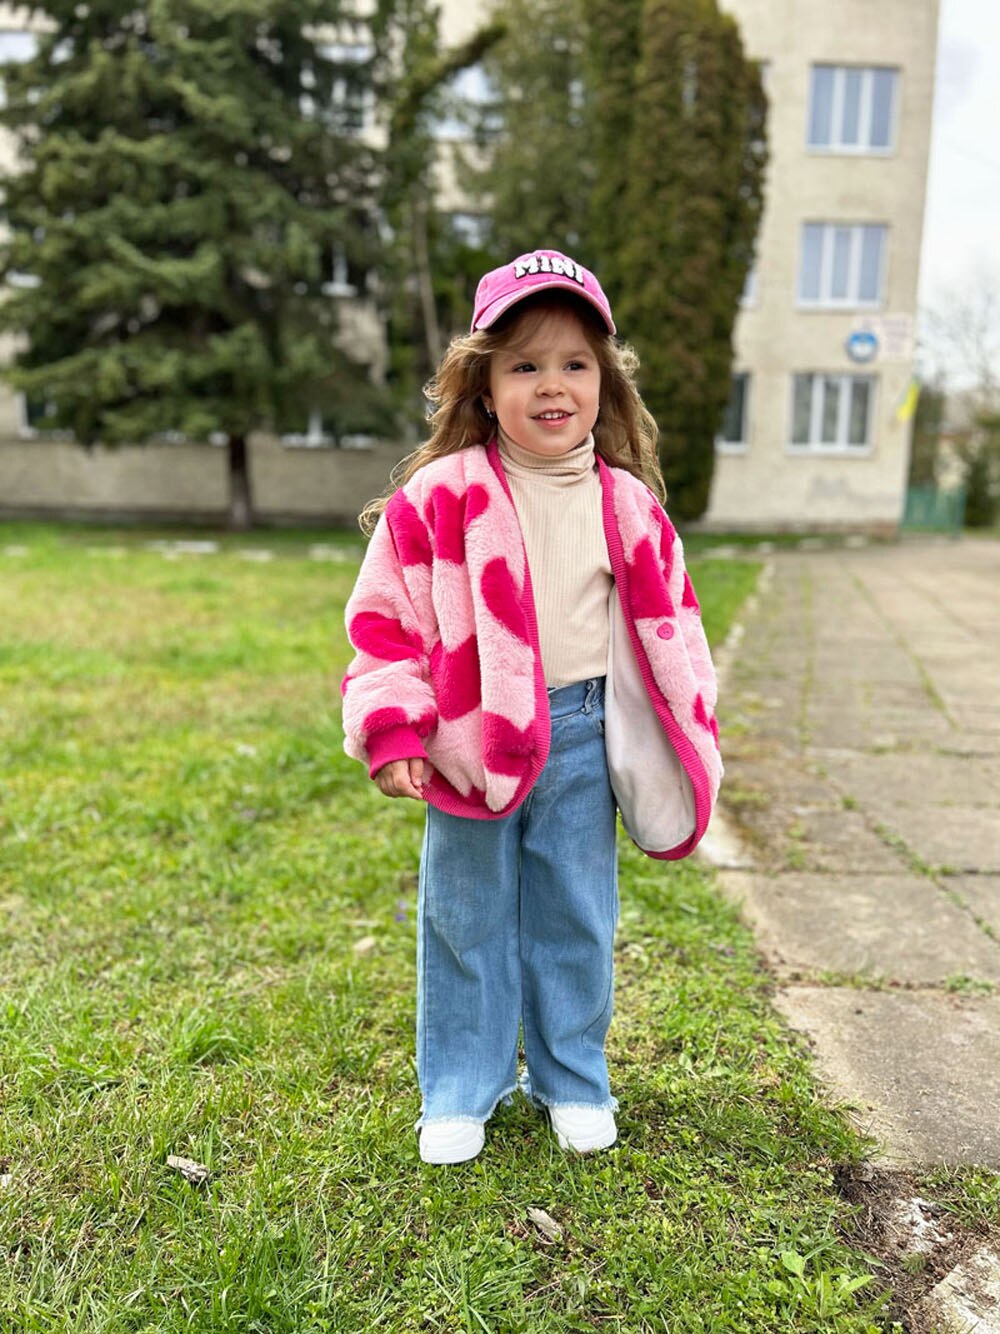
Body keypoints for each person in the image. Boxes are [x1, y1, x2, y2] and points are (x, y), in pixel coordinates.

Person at [341, 250, 722, 1165]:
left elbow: (676, 629)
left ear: (605, 383)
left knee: (575, 913)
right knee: (463, 916)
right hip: (468, 739)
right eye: (524, 365)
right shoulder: (439, 498)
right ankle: (462, 1090)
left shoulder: (627, 505)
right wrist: (395, 724)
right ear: (482, 387)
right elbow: (385, 622)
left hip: (586, 733)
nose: (551, 386)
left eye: (573, 364)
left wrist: (687, 729)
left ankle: (571, 1078)